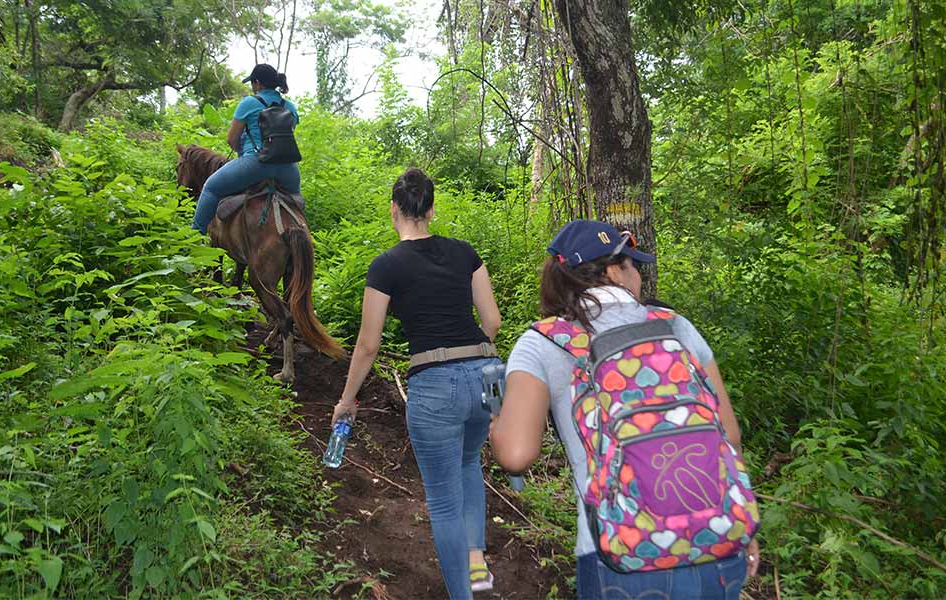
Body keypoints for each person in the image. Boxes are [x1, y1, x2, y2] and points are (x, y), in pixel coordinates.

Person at [489, 220, 761, 599]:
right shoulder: (676, 326)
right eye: (633, 265)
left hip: (619, 554)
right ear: (615, 269)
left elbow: (516, 455)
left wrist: (496, 426)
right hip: (712, 541)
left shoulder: (543, 342)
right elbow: (727, 435)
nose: (639, 278)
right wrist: (740, 521)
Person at [330, 168, 503, 599]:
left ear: (395, 209)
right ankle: (476, 563)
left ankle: (463, 594)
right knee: (469, 465)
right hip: (486, 377)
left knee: (443, 502)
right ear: (430, 209)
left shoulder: (387, 265)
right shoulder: (465, 252)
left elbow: (368, 344)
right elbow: (493, 322)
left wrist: (347, 399)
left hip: (435, 385)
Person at [191, 63, 301, 234]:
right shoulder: (290, 107)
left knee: (210, 188)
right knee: (297, 204)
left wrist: (242, 152)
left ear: (257, 83)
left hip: (255, 163)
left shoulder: (249, 103)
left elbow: (231, 139)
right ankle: (302, 233)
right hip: (289, 169)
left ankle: (194, 237)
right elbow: (287, 137)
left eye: (252, 83)